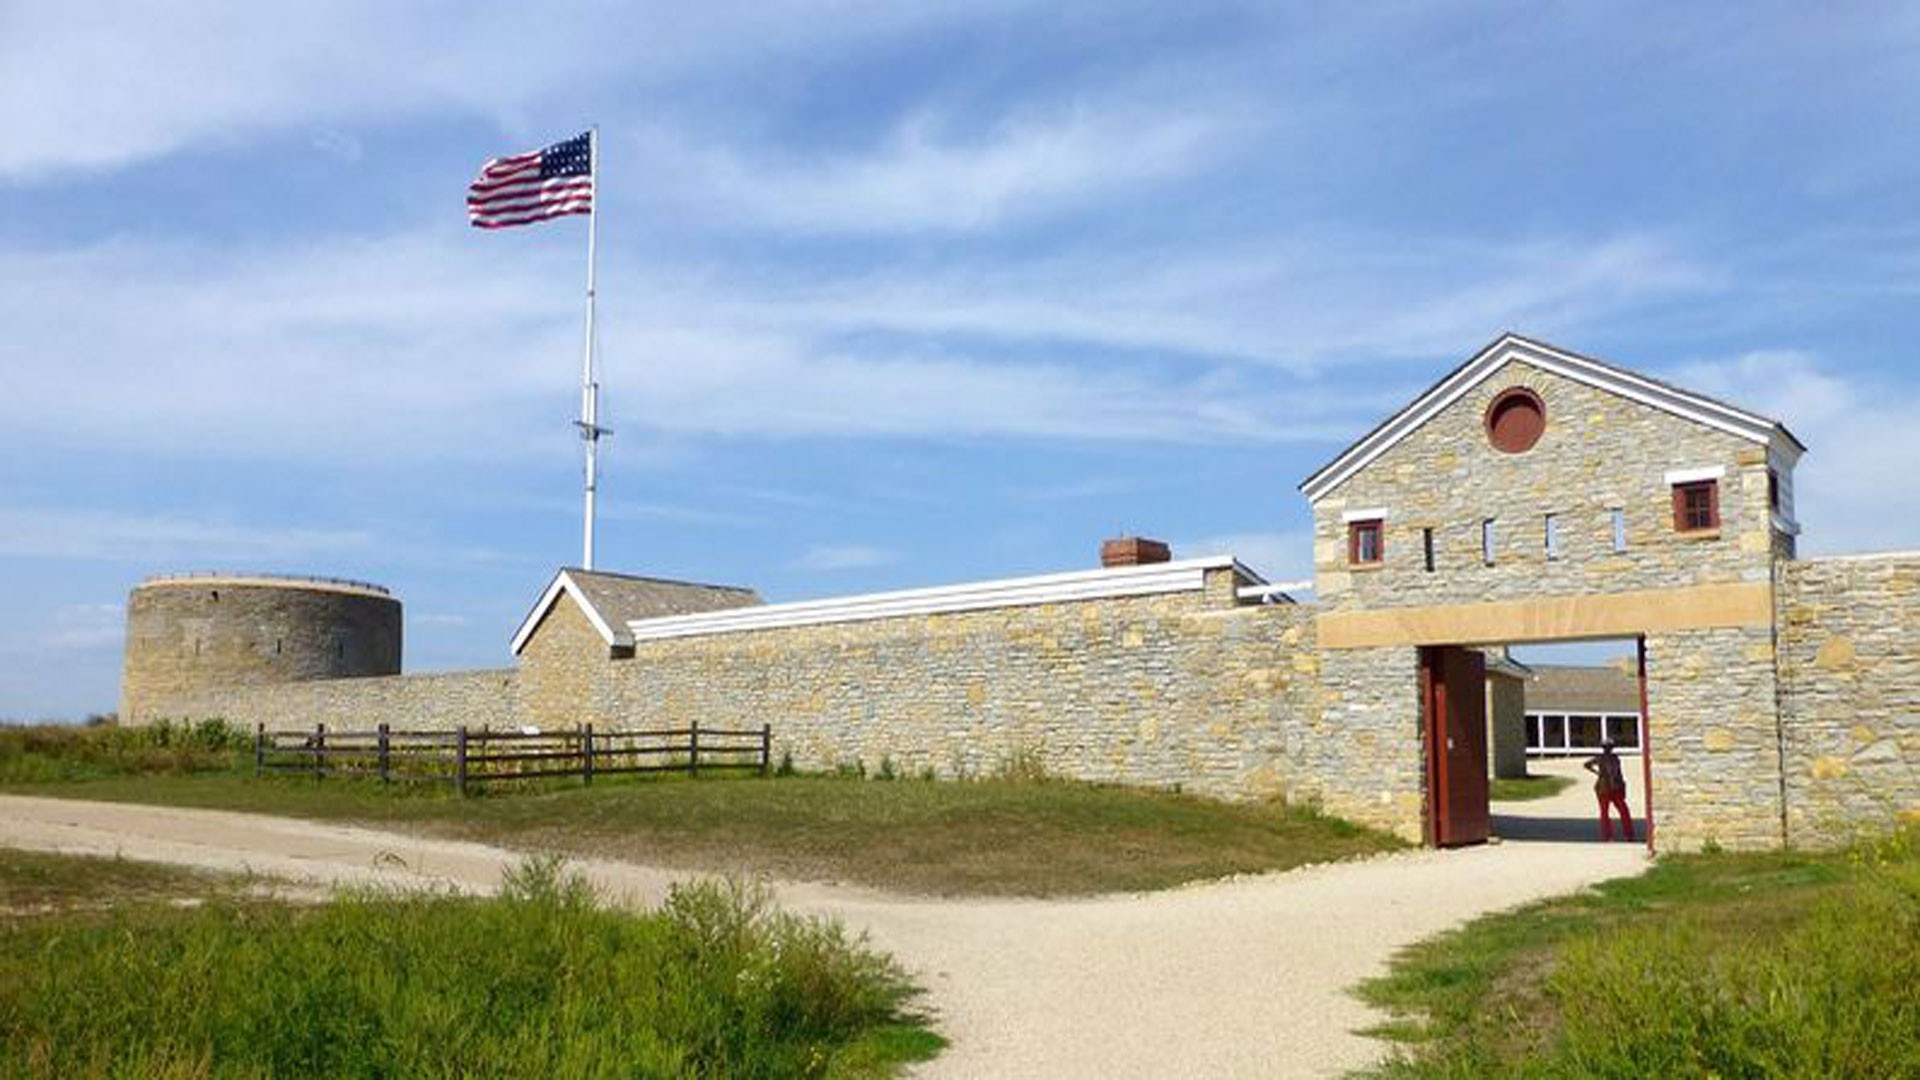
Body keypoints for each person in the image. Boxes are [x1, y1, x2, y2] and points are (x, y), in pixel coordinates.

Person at [1583, 740, 1635, 842]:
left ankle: (1627, 834)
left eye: (1609, 747)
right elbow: (1586, 764)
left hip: (1613, 787)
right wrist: (1598, 773)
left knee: (1622, 810)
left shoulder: (1613, 758)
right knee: (1606, 811)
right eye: (1607, 747)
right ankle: (1609, 835)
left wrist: (1622, 784)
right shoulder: (1602, 758)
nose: (1608, 750)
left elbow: (1619, 773)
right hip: (1605, 788)